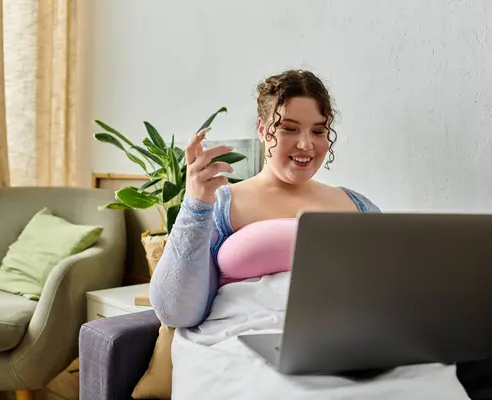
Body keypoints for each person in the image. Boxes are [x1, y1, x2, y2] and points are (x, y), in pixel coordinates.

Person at [150, 69, 380, 329]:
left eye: (318, 131)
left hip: (347, 339)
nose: (305, 144)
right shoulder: (222, 205)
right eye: (289, 129)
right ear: (262, 129)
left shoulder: (357, 206)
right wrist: (196, 205)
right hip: (239, 346)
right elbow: (174, 311)